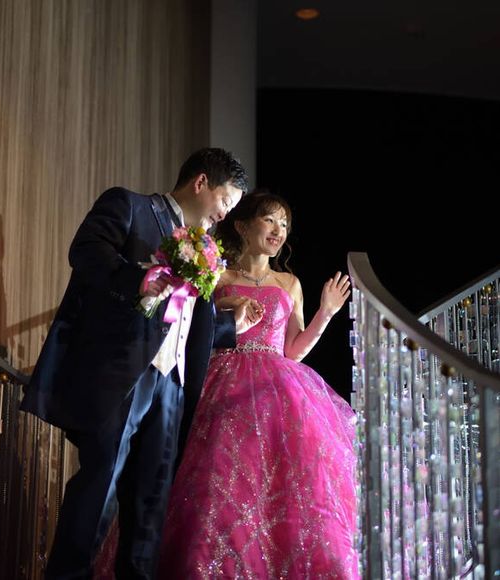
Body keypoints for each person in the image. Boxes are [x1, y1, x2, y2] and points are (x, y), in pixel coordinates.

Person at [20, 148, 263, 579]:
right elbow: (87, 252)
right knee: (101, 487)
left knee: (151, 503)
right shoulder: (130, 207)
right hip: (124, 372)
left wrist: (229, 326)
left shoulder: (205, 247)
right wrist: (139, 278)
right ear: (201, 183)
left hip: (173, 385)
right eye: (225, 201)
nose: (225, 214)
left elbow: (183, 318)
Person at [157, 190, 359, 579]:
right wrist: (228, 308)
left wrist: (326, 313)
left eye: (284, 224)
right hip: (223, 380)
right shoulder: (219, 275)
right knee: (221, 477)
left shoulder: (290, 283)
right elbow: (194, 328)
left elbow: (293, 351)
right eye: (269, 220)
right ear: (242, 225)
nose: (278, 230)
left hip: (276, 388)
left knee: (283, 482)